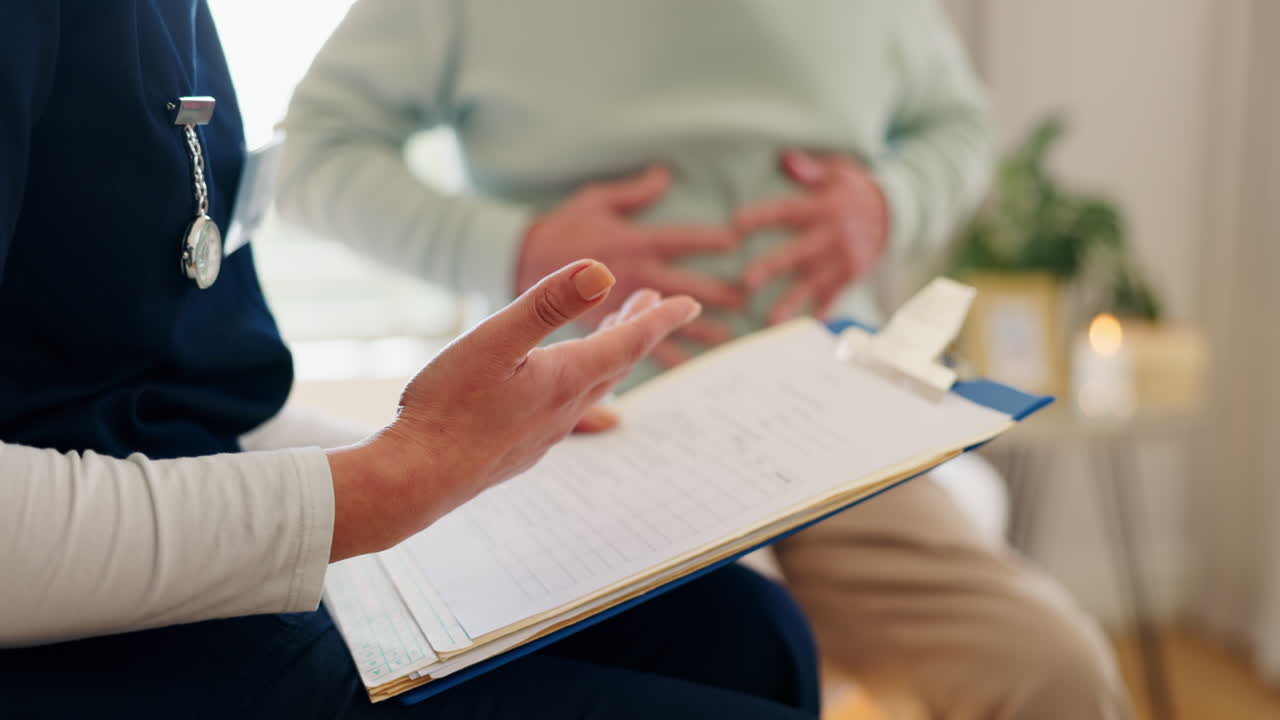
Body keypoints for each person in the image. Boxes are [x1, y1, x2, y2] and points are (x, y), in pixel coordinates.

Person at [277, 1, 1131, 718]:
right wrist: (517, 248)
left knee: (1058, 669)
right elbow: (313, 151)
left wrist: (885, 205)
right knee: (732, 667)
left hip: (829, 416)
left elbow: (959, 125)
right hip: (576, 430)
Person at [0, 2, 822, 718]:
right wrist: (393, 482)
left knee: (750, 636)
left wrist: (483, 447)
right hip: (66, 634)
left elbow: (156, 388)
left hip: (164, 537)